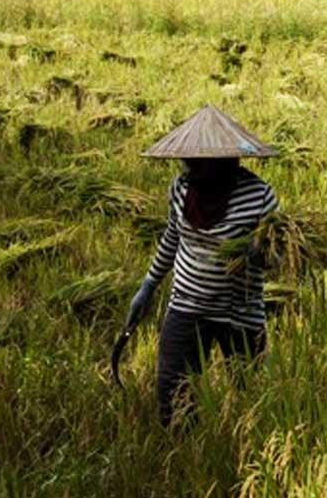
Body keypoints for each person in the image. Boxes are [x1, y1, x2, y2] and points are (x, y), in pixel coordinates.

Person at [121, 106, 280, 426]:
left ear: (223, 162)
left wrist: (256, 253)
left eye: (199, 163)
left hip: (240, 312)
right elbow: (172, 237)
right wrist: (148, 286)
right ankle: (184, 447)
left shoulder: (259, 195)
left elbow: (278, 256)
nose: (190, 168)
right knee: (172, 387)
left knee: (251, 391)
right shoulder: (181, 189)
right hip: (187, 305)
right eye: (188, 161)